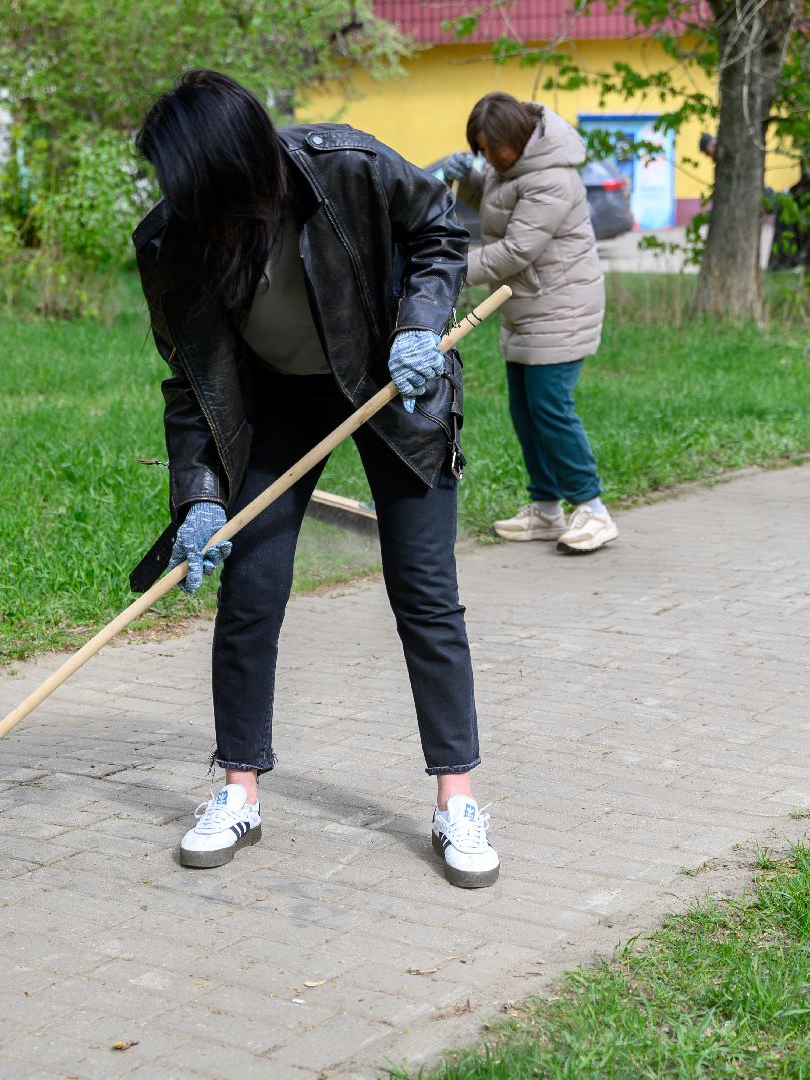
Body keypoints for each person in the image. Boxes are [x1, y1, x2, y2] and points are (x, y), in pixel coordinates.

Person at [132, 70, 499, 889]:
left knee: (424, 589)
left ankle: (456, 799)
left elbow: (442, 231)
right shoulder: (174, 238)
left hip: (391, 382)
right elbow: (193, 380)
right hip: (278, 404)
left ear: (232, 164)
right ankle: (238, 790)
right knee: (250, 589)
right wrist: (198, 497)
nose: (175, 195)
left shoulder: (346, 166)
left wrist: (418, 326)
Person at [456, 93, 616, 554]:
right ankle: (546, 509)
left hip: (560, 306)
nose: (484, 158)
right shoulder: (511, 169)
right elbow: (499, 208)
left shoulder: (551, 178)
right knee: (525, 413)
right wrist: (467, 179)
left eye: (488, 149)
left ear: (514, 140)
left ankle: (593, 509)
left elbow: (516, 249)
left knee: (550, 407)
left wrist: (453, 267)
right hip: (527, 306)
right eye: (478, 150)